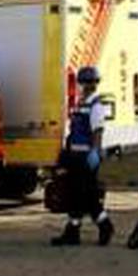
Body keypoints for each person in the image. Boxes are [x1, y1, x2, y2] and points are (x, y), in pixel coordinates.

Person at [50, 65, 115, 247]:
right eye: (85, 82)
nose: (87, 86)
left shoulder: (96, 105)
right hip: (75, 156)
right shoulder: (81, 103)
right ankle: (74, 230)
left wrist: (95, 152)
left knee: (88, 196)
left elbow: (97, 131)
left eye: (90, 83)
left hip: (86, 158)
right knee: (75, 194)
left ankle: (104, 226)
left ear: (95, 84)